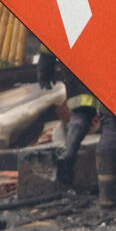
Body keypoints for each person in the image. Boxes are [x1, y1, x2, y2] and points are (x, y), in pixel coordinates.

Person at [37, 49, 98, 187]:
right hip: (103, 64)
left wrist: (44, 72)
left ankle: (69, 151)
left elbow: (48, 42)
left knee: (81, 110)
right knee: (112, 123)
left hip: (74, 66)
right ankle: (109, 189)